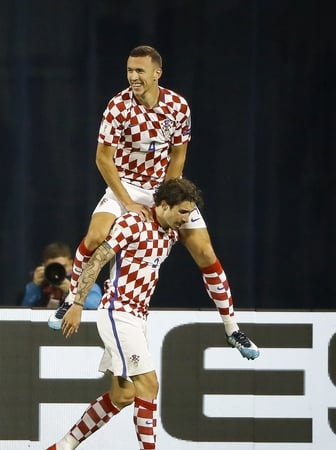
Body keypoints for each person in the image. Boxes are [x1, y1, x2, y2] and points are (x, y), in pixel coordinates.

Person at [50, 45, 259, 359]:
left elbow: (179, 155)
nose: (133, 77)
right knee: (95, 237)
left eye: (139, 71)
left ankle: (232, 329)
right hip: (125, 186)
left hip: (163, 188)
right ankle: (71, 297)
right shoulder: (117, 107)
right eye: (130, 71)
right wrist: (129, 204)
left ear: (157, 73)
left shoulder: (178, 106)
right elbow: (103, 160)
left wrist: (166, 200)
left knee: (205, 252)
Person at [48, 178, 203, 450]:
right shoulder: (133, 223)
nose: (186, 219)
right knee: (149, 385)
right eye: (182, 212)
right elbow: (97, 259)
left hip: (137, 317)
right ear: (164, 205)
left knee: (123, 394)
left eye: (189, 214)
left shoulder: (169, 235)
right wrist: (77, 303)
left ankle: (63, 446)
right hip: (118, 311)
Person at [21, 241, 102, 310]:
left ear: (71, 264)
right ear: (44, 266)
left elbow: (94, 307)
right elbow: (23, 312)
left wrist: (72, 292)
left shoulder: (85, 285)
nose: (57, 272)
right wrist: (34, 287)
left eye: (62, 267)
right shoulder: (36, 287)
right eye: (53, 267)